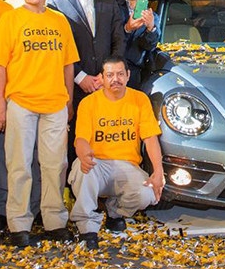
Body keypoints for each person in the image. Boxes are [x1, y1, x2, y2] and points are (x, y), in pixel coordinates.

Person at [0, 0, 78, 247]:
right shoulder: (10, 19)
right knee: (19, 165)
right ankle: (19, 223)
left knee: (55, 165)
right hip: (20, 102)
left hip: (55, 103)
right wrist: (0, 105)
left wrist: (69, 101)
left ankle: (54, 221)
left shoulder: (59, 20)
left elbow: (68, 65)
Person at [69, 57, 163, 250]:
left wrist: (158, 171)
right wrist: (83, 151)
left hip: (127, 166)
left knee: (148, 194)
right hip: (98, 165)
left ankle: (115, 211)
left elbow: (150, 138)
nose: (115, 79)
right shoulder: (89, 103)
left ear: (128, 76)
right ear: (102, 78)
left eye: (120, 74)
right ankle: (87, 228)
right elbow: (81, 139)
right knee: (81, 168)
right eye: (110, 75)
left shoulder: (139, 99)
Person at [47, 0, 125, 107]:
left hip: (106, 84)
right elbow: (56, 49)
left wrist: (107, 73)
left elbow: (118, 40)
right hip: (72, 87)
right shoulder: (55, 3)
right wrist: (80, 77)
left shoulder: (109, 1)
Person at [116, 0, 158, 88]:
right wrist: (127, 29)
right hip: (114, 69)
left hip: (138, 73)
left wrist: (150, 28)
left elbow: (150, 46)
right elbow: (106, 39)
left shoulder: (152, 16)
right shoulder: (111, 7)